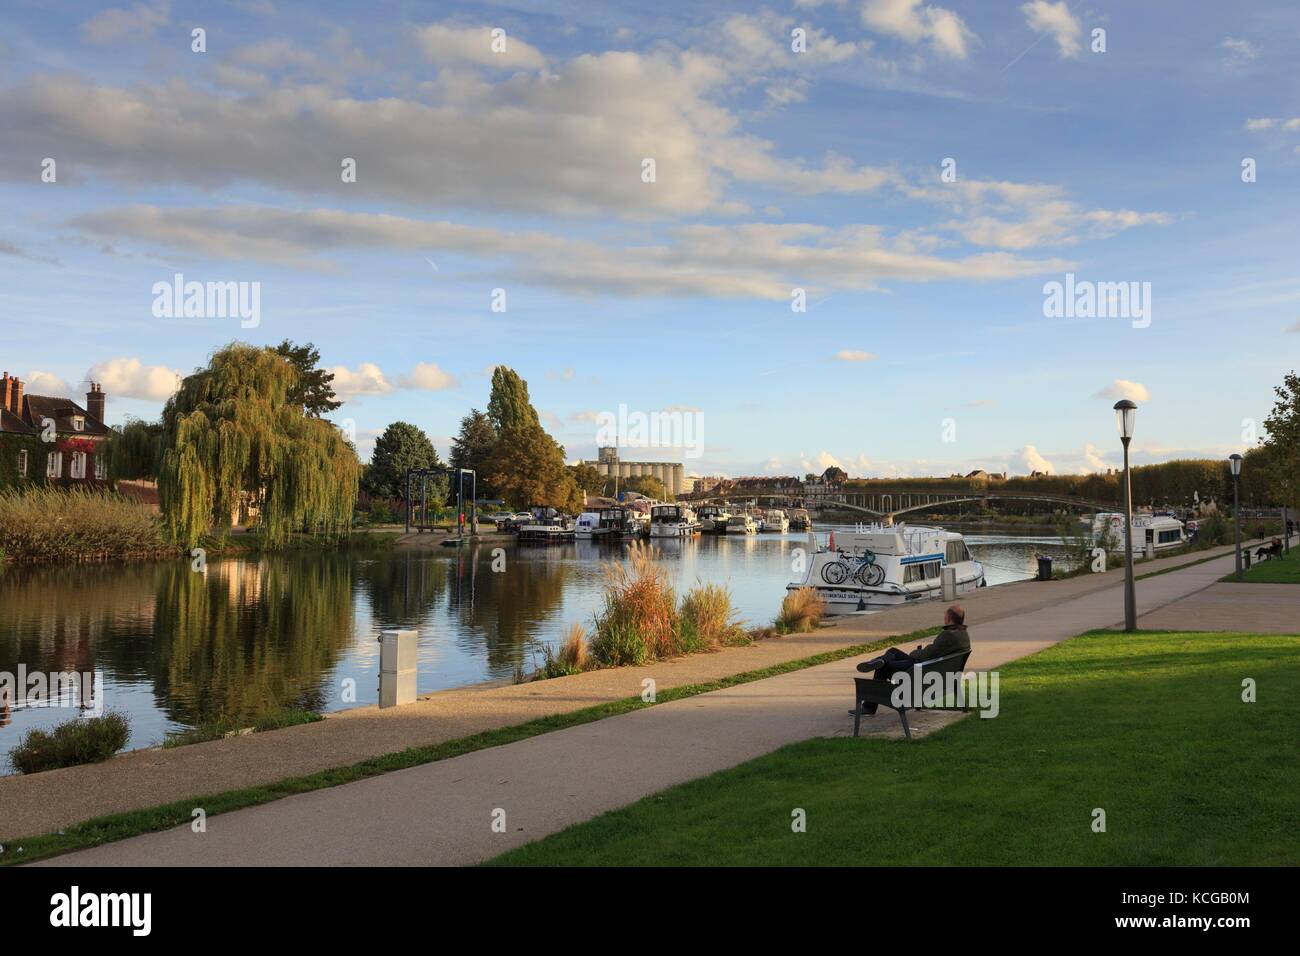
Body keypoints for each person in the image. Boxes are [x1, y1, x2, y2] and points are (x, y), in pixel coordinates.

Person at [855, 605, 971, 714]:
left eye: (945, 616)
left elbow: (926, 654)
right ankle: (880, 660)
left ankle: (869, 707)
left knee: (882, 668)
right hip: (932, 673)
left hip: (918, 673)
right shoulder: (964, 635)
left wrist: (914, 652)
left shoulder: (948, 635)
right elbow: (933, 653)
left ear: (949, 619)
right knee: (893, 651)